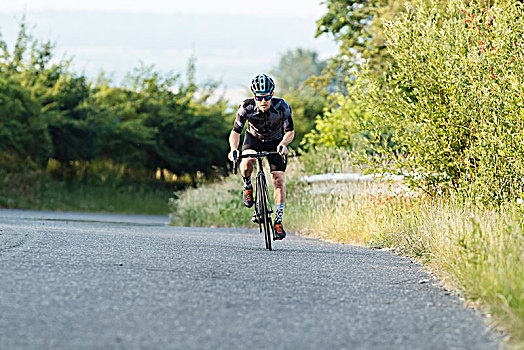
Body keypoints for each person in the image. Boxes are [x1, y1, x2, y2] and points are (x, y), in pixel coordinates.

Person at [227, 73, 295, 240]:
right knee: (246, 162)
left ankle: (278, 221)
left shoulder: (282, 107)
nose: (263, 101)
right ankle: (248, 186)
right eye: (259, 97)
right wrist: (233, 149)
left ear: (272, 95)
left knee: (278, 179)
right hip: (253, 139)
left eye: (266, 97)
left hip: (275, 141)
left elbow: (290, 132)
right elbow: (236, 132)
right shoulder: (246, 107)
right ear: (254, 96)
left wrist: (283, 145)